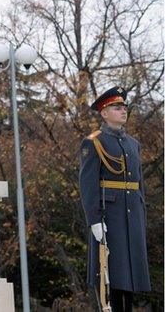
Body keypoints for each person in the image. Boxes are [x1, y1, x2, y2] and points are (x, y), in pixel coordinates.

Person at [79, 86, 149, 312]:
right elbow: (88, 184)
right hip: (111, 215)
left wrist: (141, 211)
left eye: (124, 107)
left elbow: (139, 184)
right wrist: (94, 220)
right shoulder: (94, 142)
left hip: (132, 213)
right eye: (117, 107)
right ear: (104, 112)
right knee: (112, 273)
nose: (123, 111)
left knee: (131, 274)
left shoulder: (133, 144)